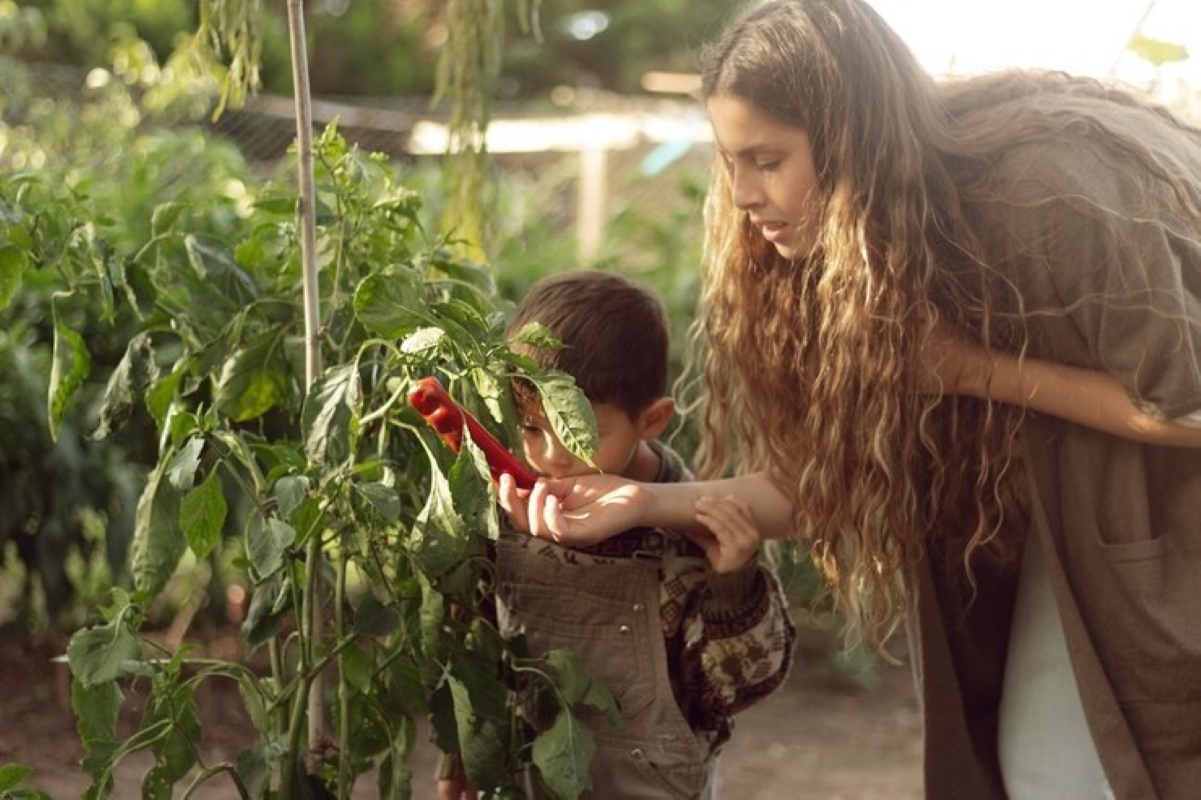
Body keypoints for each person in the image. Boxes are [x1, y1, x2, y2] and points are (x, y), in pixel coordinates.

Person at [498, 2, 1201, 798]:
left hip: (1164, 536)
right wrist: (636, 504)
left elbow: (1182, 407)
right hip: (1059, 537)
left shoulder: (1047, 197)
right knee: (1035, 769)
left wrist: (967, 369)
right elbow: (810, 486)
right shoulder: (831, 252)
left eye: (766, 159)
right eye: (731, 161)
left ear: (851, 144)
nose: (740, 196)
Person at [437, 270, 796, 800]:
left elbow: (731, 691)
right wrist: (462, 755)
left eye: (582, 432)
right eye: (532, 427)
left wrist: (733, 582)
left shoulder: (689, 531)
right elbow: (478, 642)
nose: (552, 457)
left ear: (651, 421)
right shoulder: (508, 505)